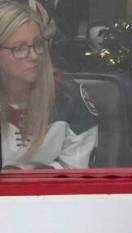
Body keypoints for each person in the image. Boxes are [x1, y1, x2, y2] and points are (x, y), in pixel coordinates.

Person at [0, 0, 97, 169]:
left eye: (38, 44)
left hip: (53, 195)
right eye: (20, 48)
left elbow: (77, 176)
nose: (34, 55)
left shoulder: (70, 98)